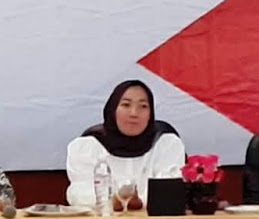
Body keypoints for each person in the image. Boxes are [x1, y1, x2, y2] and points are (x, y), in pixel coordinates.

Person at [66, 79, 184, 211]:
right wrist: (113, 201)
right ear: (113, 109)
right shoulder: (87, 147)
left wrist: (138, 202)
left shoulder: (167, 144)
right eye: (126, 105)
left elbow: (170, 192)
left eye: (143, 106)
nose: (134, 113)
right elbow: (78, 194)